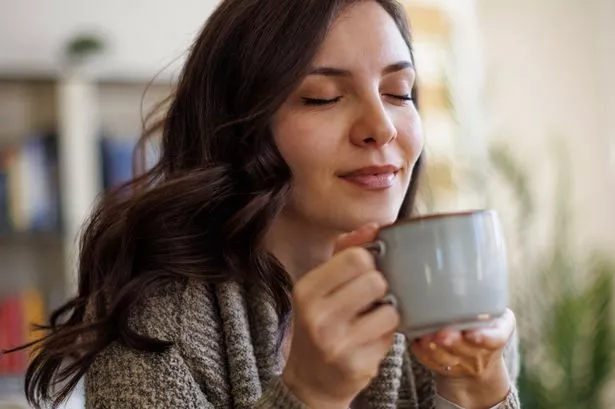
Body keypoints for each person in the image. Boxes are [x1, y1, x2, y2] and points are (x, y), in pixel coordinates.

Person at [19, 0, 520, 408]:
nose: (383, 127)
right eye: (323, 97)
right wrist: (309, 395)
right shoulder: (155, 328)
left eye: (398, 91)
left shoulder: (441, 304)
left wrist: (477, 391)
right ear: (240, 130)